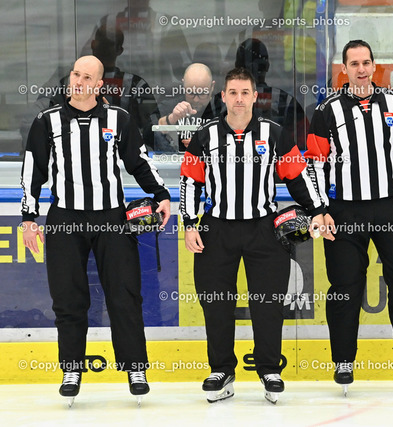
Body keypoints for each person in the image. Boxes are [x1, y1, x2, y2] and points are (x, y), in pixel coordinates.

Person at [20, 55, 171, 404]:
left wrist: (161, 194)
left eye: (87, 76)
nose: (78, 80)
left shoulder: (118, 119)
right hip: (65, 220)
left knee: (125, 295)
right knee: (69, 299)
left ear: (99, 84)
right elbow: (33, 172)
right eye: (75, 73)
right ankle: (72, 368)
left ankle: (135, 367)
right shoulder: (47, 121)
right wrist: (29, 217)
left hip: (111, 220)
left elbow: (139, 161)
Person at [304, 40, 393, 396]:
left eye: (366, 62)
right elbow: (314, 165)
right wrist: (320, 209)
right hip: (346, 211)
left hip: (390, 207)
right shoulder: (326, 111)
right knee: (344, 290)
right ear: (344, 68)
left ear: (374, 66)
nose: (361, 68)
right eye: (354, 63)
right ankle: (343, 361)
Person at [179, 67, 325, 404]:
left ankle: (269, 370)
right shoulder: (206, 136)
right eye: (233, 92)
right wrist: (189, 222)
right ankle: (222, 370)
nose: (239, 99)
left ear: (255, 96)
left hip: (264, 230)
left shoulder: (274, 134)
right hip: (216, 229)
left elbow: (298, 176)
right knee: (216, 303)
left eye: (245, 92)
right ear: (223, 96)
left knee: (268, 303)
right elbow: (189, 181)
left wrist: (318, 210)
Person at [213, 38, 309, 150]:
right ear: (268, 66)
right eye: (233, 93)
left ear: (236, 67)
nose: (239, 99)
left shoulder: (219, 102)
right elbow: (303, 148)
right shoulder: (287, 102)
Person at [153, 63, 216, 152]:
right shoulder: (170, 105)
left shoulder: (221, 109)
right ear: (183, 86)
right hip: (173, 163)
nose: (196, 99)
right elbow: (147, 135)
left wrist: (205, 144)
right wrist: (171, 119)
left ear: (212, 87)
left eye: (202, 93)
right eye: (190, 93)